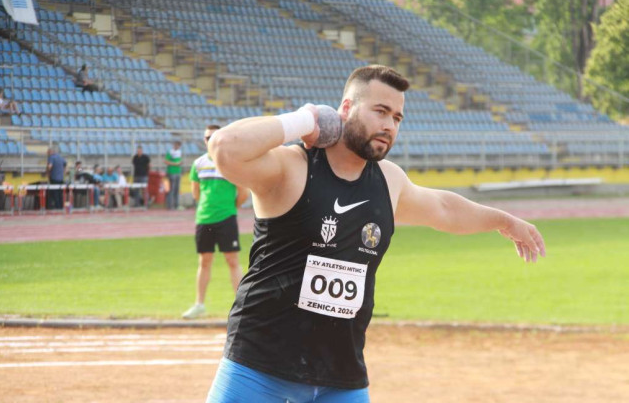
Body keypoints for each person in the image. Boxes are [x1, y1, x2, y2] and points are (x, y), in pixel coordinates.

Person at [205, 65, 546, 402]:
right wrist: (304, 120)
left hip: (341, 377)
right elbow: (224, 147)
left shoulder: (389, 180)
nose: (389, 125)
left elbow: (444, 208)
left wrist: (505, 221)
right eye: (380, 111)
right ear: (346, 109)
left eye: (397, 118)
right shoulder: (292, 167)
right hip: (259, 367)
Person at [182, 125, 250, 320]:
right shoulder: (198, 164)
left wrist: (229, 208)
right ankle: (199, 304)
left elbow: (243, 193)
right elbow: (196, 193)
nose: (209, 140)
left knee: (232, 260)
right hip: (204, 218)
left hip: (226, 217)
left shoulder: (231, 163)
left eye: (213, 137)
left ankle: (241, 306)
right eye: (206, 137)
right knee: (204, 261)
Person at [164, 140, 182, 210]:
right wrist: (174, 164)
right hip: (171, 172)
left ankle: (176, 205)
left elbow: (179, 161)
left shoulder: (179, 152)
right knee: (171, 189)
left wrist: (179, 163)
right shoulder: (170, 152)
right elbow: (166, 161)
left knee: (176, 190)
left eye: (179, 145)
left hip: (178, 172)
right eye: (176, 145)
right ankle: (170, 205)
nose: (178, 146)